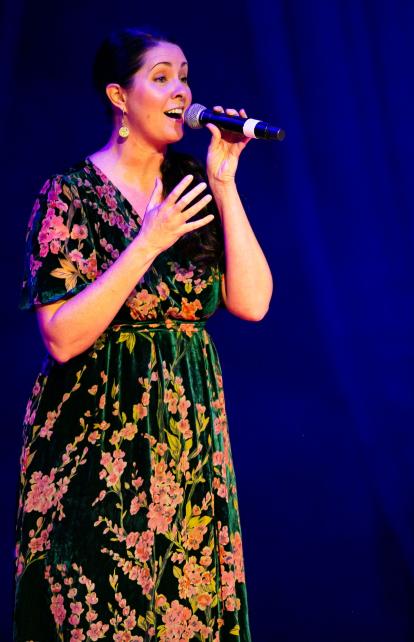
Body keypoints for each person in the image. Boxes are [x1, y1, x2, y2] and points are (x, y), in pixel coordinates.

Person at [14, 28, 271, 641]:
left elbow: (253, 303)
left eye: (184, 75)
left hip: (187, 445)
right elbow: (62, 337)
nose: (181, 89)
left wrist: (226, 182)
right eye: (160, 77)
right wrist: (147, 241)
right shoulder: (68, 196)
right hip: (95, 451)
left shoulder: (193, 186)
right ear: (119, 97)